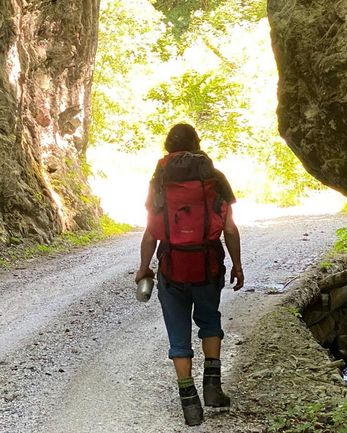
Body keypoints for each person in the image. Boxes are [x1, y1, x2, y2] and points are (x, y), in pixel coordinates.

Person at [135, 123, 244, 426]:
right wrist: (237, 264)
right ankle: (213, 388)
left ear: (167, 148)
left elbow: (150, 232)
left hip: (171, 268)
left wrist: (144, 267)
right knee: (210, 322)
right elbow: (230, 228)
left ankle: (190, 405)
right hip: (207, 265)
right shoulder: (215, 177)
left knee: (178, 336)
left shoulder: (159, 180)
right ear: (197, 145)